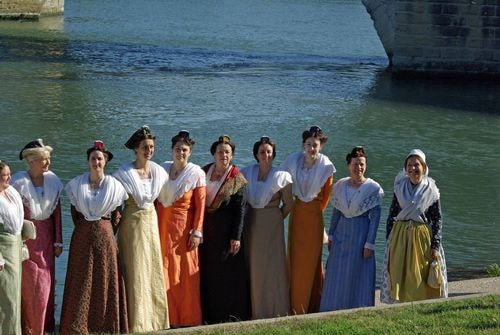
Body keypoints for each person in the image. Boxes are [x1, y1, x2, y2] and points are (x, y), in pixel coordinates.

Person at [60, 140, 129, 334]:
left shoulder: (115, 186)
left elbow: (117, 215)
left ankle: (105, 325)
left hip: (105, 237)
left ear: (105, 161)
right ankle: (77, 325)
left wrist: (103, 228)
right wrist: (86, 228)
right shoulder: (76, 185)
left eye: (99, 159)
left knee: (104, 279)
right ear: (88, 160)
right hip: (82, 237)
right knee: (80, 280)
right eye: (93, 158)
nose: (96, 162)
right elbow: (74, 212)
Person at [114, 125, 170, 332]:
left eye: (152, 146)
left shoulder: (158, 171)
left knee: (152, 267)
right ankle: (136, 322)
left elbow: (166, 198)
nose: (149, 150)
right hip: (132, 223)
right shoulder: (124, 173)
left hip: (151, 221)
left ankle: (155, 320)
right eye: (145, 147)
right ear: (136, 149)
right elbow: (115, 202)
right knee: (135, 268)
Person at [280, 125, 336, 314]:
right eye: (309, 144)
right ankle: (292, 303)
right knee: (294, 259)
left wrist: (313, 211)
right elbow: (280, 180)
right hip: (296, 215)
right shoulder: (293, 161)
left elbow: (326, 199)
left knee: (311, 261)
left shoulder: (326, 167)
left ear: (321, 147)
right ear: (303, 145)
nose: (312, 148)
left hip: (313, 217)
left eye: (315, 145)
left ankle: (311, 304)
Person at [320, 146, 383, 311]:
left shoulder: (373, 188)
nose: (359, 168)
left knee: (358, 272)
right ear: (349, 165)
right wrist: (331, 236)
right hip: (341, 234)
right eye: (355, 164)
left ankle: (358, 307)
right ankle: (332, 307)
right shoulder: (340, 185)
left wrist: (370, 243)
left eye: (362, 164)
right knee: (337, 271)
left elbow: (375, 218)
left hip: (361, 234)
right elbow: (336, 212)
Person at [380, 149, 448, 303]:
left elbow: (437, 219)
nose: (413, 168)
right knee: (398, 271)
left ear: (423, 167)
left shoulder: (431, 190)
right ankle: (399, 303)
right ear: (405, 168)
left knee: (419, 274)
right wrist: (389, 240)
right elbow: (392, 214)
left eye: (416, 165)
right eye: (409, 165)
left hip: (421, 236)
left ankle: (418, 303)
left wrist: (435, 245)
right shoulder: (399, 187)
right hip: (400, 236)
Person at [11, 139, 63, 335]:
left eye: (48, 159)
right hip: (27, 243)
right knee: (31, 288)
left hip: (47, 242)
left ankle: (46, 328)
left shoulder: (54, 182)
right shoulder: (17, 184)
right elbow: (14, 218)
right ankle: (29, 328)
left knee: (47, 285)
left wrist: (59, 241)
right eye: (43, 159)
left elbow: (57, 215)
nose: (48, 163)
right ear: (32, 161)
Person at [156, 130, 206, 327]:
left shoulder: (196, 174)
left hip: (183, 231)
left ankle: (187, 318)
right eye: (177, 149)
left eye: (185, 150)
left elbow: (200, 206)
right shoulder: (161, 170)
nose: (181, 153)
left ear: (190, 152)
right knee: (163, 270)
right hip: (160, 228)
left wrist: (197, 231)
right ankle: (165, 318)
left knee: (184, 274)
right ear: (171, 151)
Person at [200, 135, 250, 324]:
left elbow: (240, 211)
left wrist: (235, 237)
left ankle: (230, 315)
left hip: (226, 236)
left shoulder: (237, 178)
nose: (224, 155)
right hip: (207, 233)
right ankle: (208, 315)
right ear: (213, 153)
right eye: (220, 152)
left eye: (227, 152)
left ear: (232, 155)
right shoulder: (203, 172)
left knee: (227, 277)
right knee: (208, 274)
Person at [241, 136, 293, 319]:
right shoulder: (246, 173)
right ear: (256, 154)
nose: (265, 155)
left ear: (273, 154)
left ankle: (275, 309)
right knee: (253, 265)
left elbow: (288, 204)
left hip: (272, 225)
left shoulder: (282, 176)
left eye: (269, 152)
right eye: (262, 152)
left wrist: (276, 217)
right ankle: (254, 309)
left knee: (272, 266)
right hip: (251, 224)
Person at [0, 161, 35, 335]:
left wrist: (24, 232)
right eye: (6, 175)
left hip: (15, 248)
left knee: (14, 295)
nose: (10, 178)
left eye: (9, 173)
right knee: (5, 296)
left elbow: (17, 219)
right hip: (3, 251)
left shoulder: (11, 192)